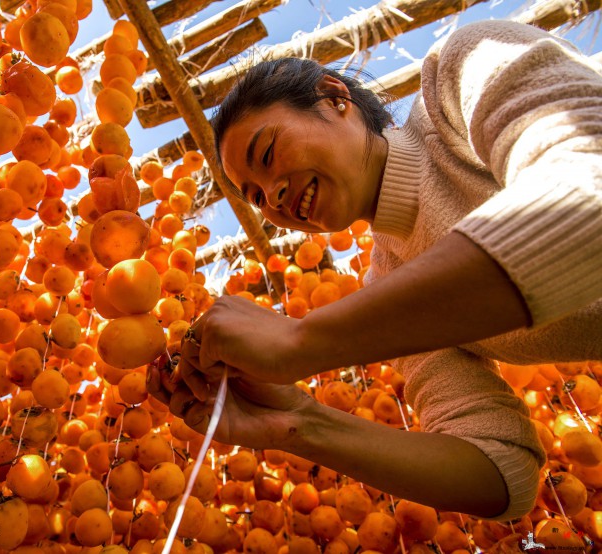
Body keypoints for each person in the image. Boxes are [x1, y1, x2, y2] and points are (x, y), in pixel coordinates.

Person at [146, 19, 602, 521]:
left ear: (333, 98)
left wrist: (303, 342)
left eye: (268, 154)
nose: (272, 198)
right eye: (255, 197)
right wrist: (298, 423)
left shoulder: (458, 73)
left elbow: (588, 189)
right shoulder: (388, 285)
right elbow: (502, 472)